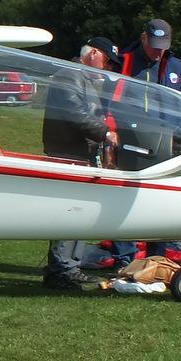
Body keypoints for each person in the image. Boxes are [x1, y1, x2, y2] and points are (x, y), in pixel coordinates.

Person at [41, 37, 119, 289]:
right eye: (107, 61)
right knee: (69, 212)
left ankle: (71, 266)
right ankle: (60, 270)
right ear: (93, 53)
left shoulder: (83, 78)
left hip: (80, 153)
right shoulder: (69, 76)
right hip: (67, 153)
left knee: (80, 212)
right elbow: (75, 114)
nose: (107, 68)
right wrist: (105, 133)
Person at [109, 19, 181, 264]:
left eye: (162, 46)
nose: (158, 51)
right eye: (154, 45)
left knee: (162, 201)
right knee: (124, 199)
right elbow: (108, 102)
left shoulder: (173, 65)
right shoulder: (124, 63)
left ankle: (157, 259)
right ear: (143, 38)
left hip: (166, 142)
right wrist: (112, 134)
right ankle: (125, 258)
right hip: (129, 139)